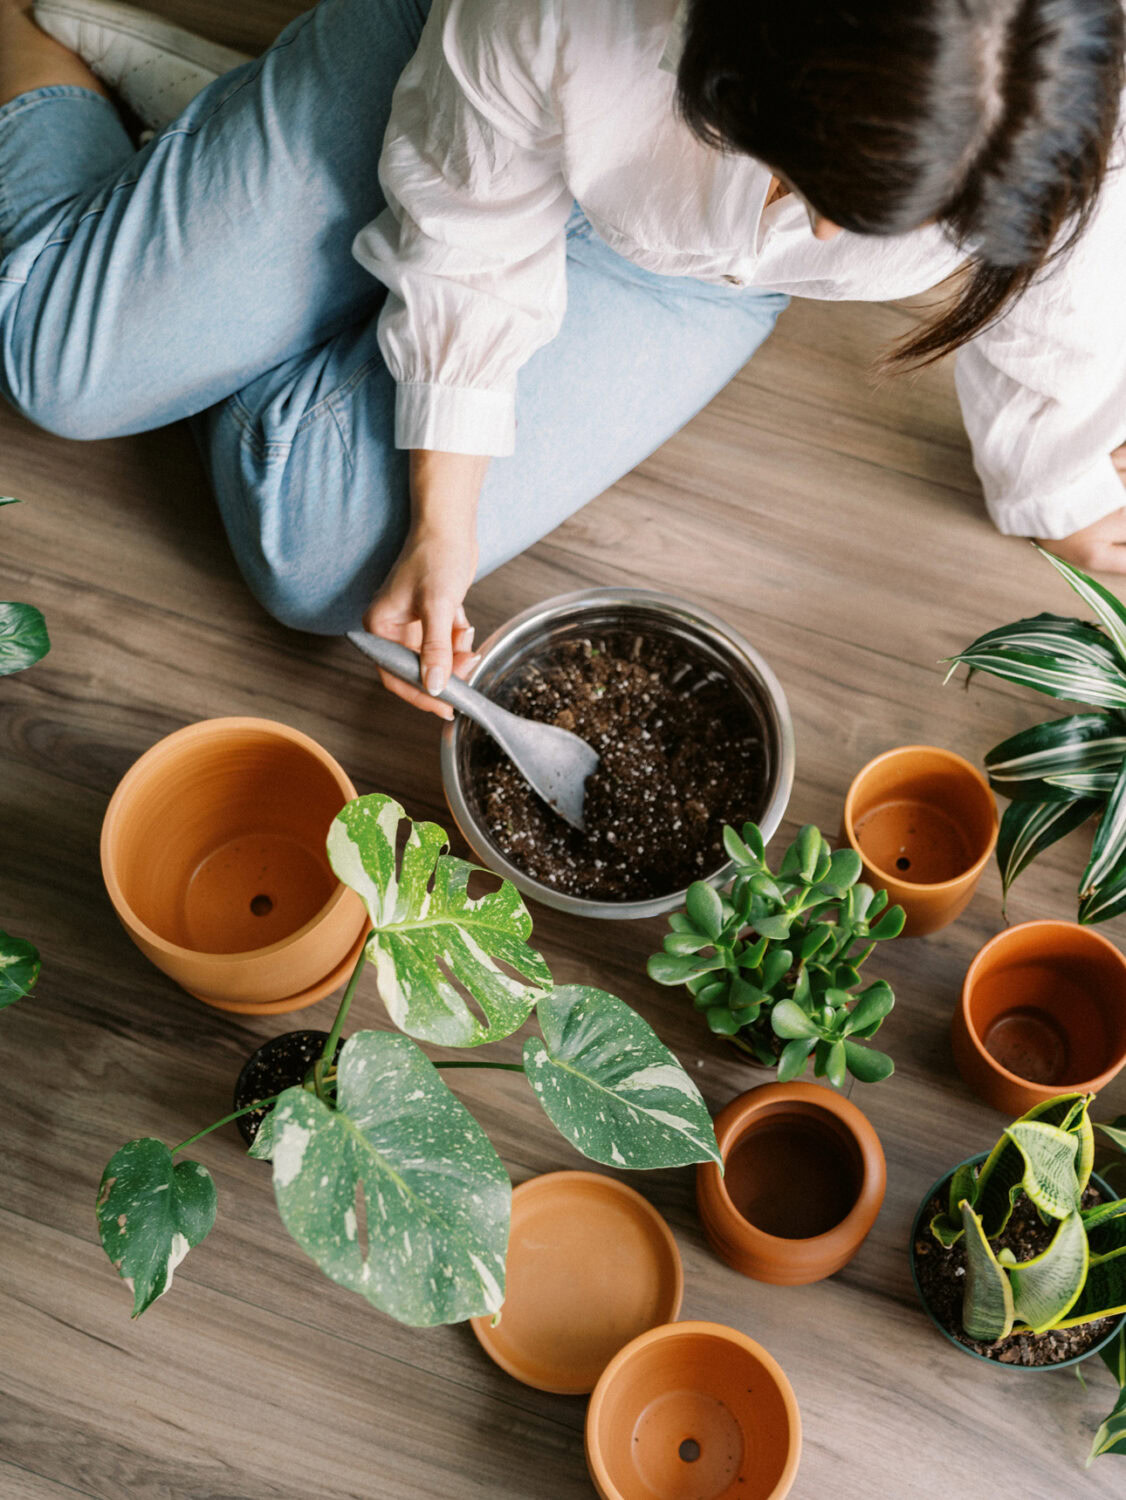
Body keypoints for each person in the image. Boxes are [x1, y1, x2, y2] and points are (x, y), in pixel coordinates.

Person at [1, 0, 1124, 721]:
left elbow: (1059, 281)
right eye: (816, 189)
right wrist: (448, 498)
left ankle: (211, 158)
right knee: (63, 367)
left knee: (321, 572)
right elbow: (471, 226)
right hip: (460, 90)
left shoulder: (1063, 89)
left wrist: (1057, 486)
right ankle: (44, 46)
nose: (830, 241)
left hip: (676, 268)